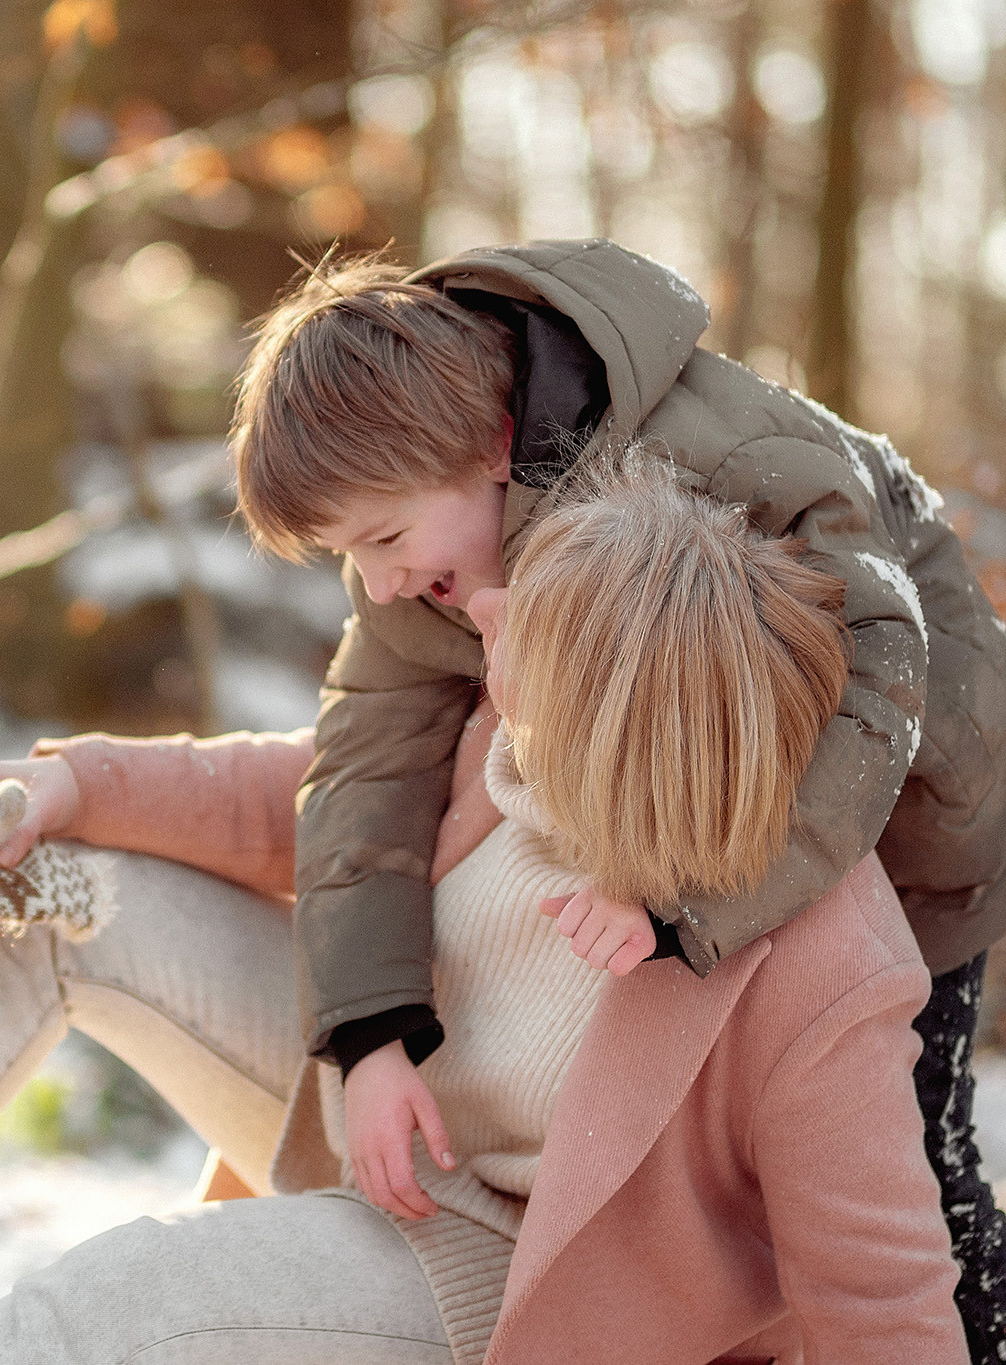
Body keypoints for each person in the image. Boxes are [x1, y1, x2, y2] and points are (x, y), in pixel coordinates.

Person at [0, 457, 966, 1365]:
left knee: (98, 1305)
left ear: (630, 707)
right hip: (377, 1108)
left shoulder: (818, 965)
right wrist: (74, 787)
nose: (472, 611)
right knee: (51, 895)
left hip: (497, 1266)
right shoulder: (513, 738)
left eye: (522, 621)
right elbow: (295, 799)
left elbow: (887, 1306)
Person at [233, 240, 1006, 1354]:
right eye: (346, 555)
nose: (379, 582)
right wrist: (366, 1038)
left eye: (385, 539)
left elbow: (882, 679)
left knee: (903, 1179)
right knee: (751, 1157)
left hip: (909, 810)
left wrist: (690, 902)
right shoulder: (425, 553)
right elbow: (362, 769)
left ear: (492, 444)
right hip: (702, 820)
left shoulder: (718, 460)